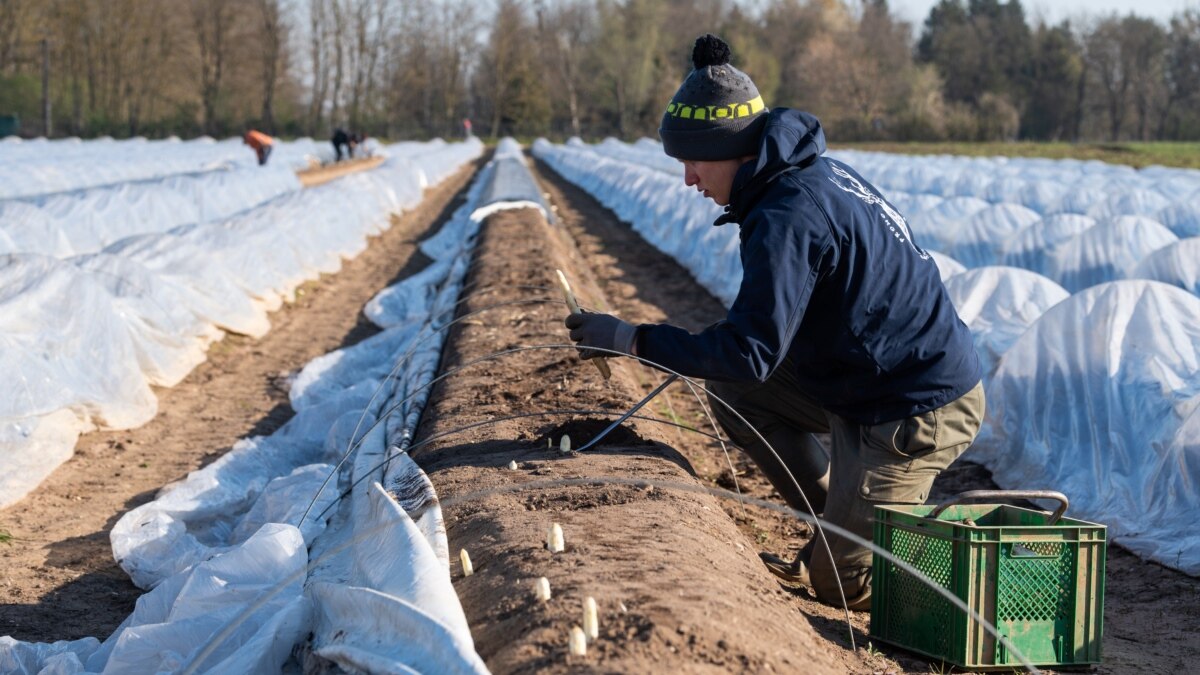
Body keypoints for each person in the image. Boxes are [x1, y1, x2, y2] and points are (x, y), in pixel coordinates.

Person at [564, 34, 984, 611]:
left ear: (732, 148)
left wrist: (631, 339)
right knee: (740, 394)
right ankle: (839, 521)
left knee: (842, 586)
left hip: (913, 405)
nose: (688, 178)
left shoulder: (788, 213)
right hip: (862, 379)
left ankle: (949, 570)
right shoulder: (801, 176)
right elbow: (753, 359)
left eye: (693, 160)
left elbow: (750, 350)